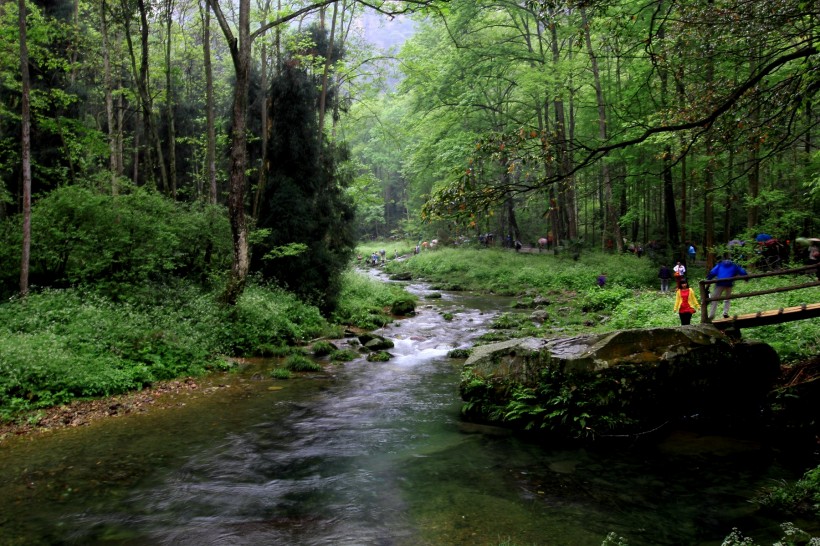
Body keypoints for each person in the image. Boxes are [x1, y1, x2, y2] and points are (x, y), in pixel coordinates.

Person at [706, 252, 748, 319]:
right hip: (729, 283)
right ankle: (725, 313)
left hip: (719, 283)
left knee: (714, 299)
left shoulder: (720, 264)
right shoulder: (734, 264)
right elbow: (742, 271)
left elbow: (713, 272)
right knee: (727, 299)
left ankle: (711, 315)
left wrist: (708, 279)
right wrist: (746, 278)